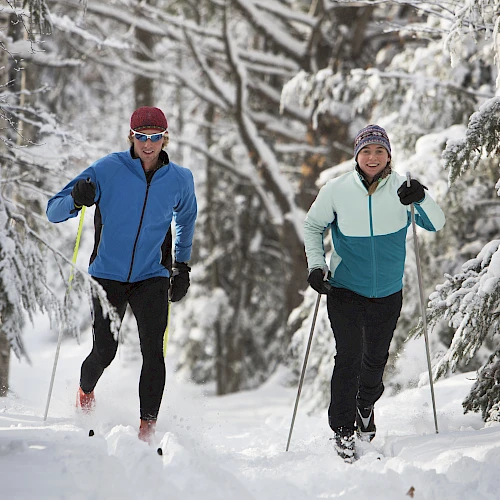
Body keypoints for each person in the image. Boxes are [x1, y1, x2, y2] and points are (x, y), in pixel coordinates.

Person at [46, 106, 197, 444]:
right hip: (107, 276)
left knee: (153, 351)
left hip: (152, 276)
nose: (148, 144)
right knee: (106, 351)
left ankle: (147, 429)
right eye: (141, 136)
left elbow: (186, 219)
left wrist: (181, 266)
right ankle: (85, 392)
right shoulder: (107, 169)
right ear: (131, 136)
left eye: (155, 137)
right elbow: (53, 211)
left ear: (164, 137)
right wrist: (76, 198)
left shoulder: (179, 179)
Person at [303, 124, 445, 461]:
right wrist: (315, 265)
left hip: (387, 292)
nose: (372, 157)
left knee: (374, 361)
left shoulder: (402, 189)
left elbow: (436, 224)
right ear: (356, 155)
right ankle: (343, 431)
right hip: (345, 289)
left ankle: (365, 405)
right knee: (348, 356)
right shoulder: (336, 189)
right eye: (366, 151)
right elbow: (312, 225)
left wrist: (422, 197)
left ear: (388, 156)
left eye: (379, 151)